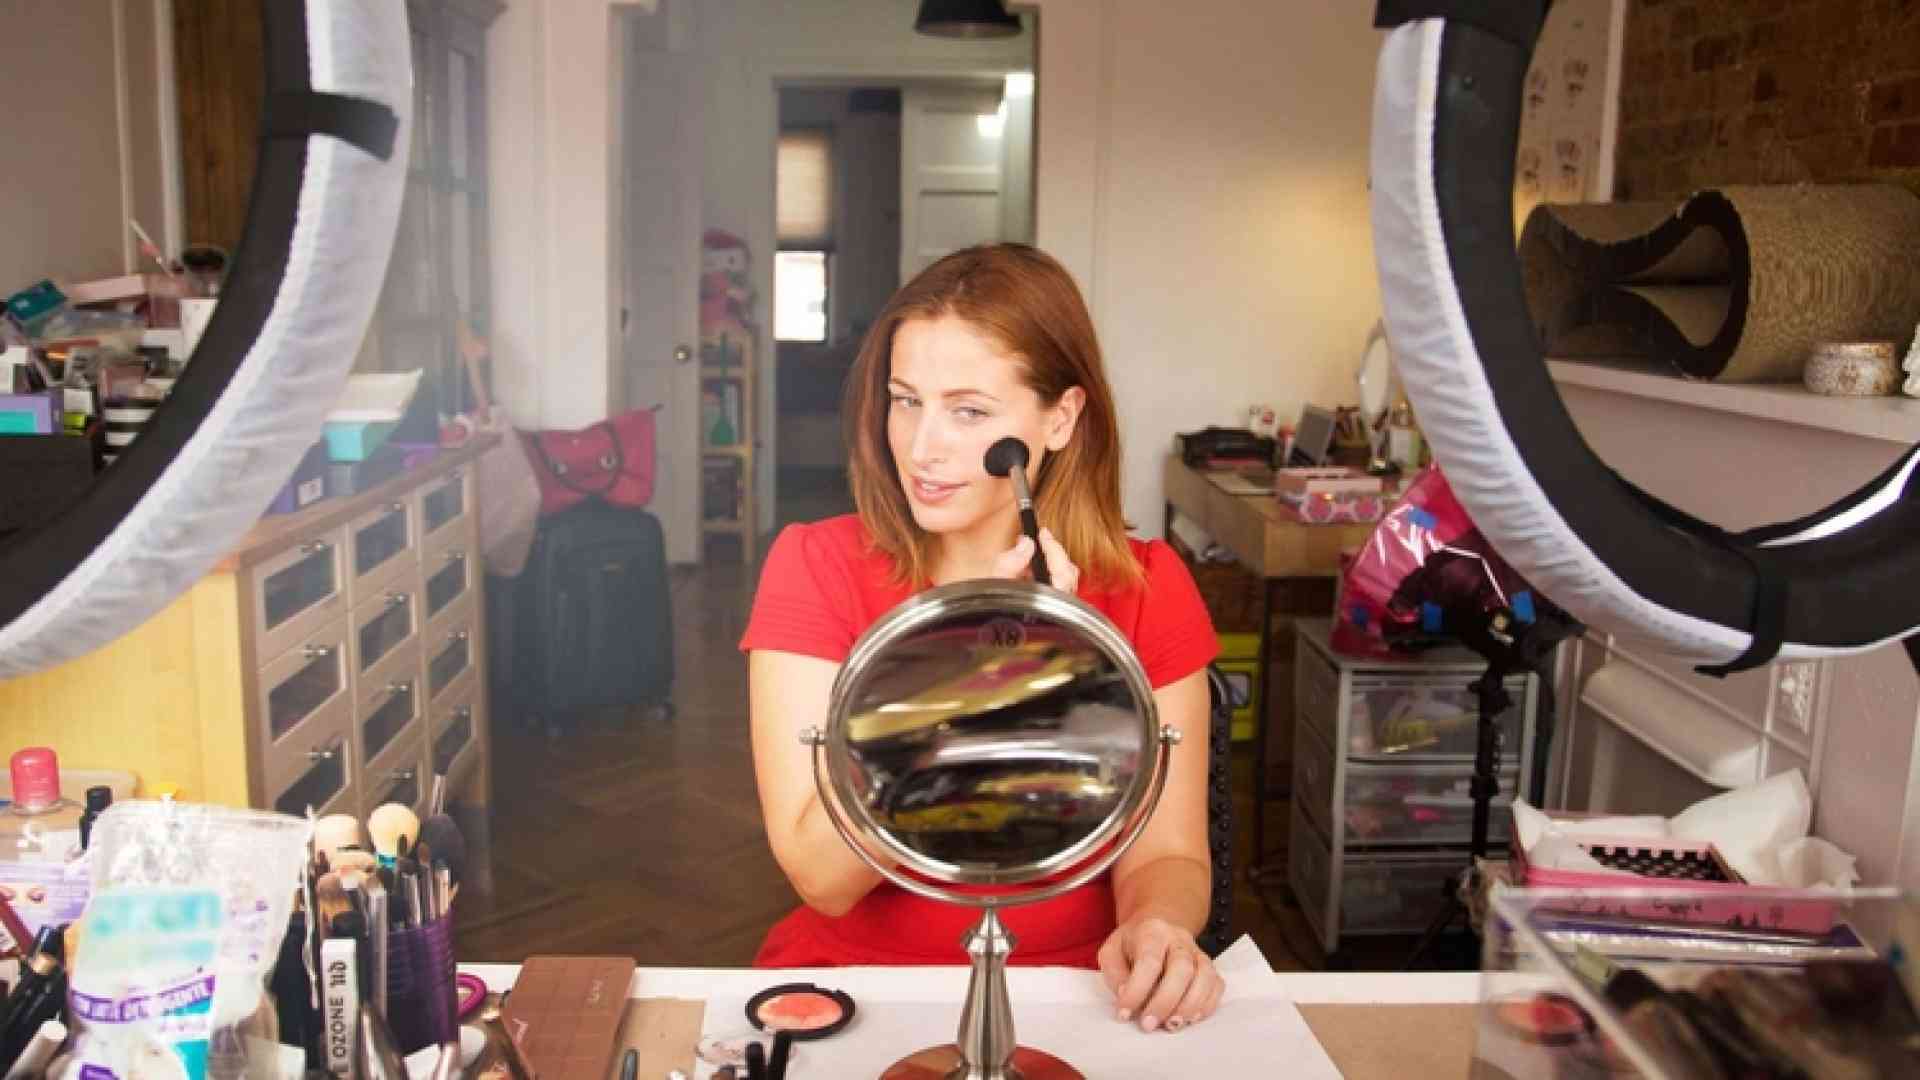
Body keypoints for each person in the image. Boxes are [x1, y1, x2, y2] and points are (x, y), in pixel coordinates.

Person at [741, 244, 1223, 1034]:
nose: (921, 447)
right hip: (860, 992)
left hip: (1084, 995)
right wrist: (978, 685)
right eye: (906, 400)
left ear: (1060, 418)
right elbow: (823, 879)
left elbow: (1168, 853)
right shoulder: (815, 566)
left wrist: (1158, 924)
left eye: (968, 411)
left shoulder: (1148, 586)